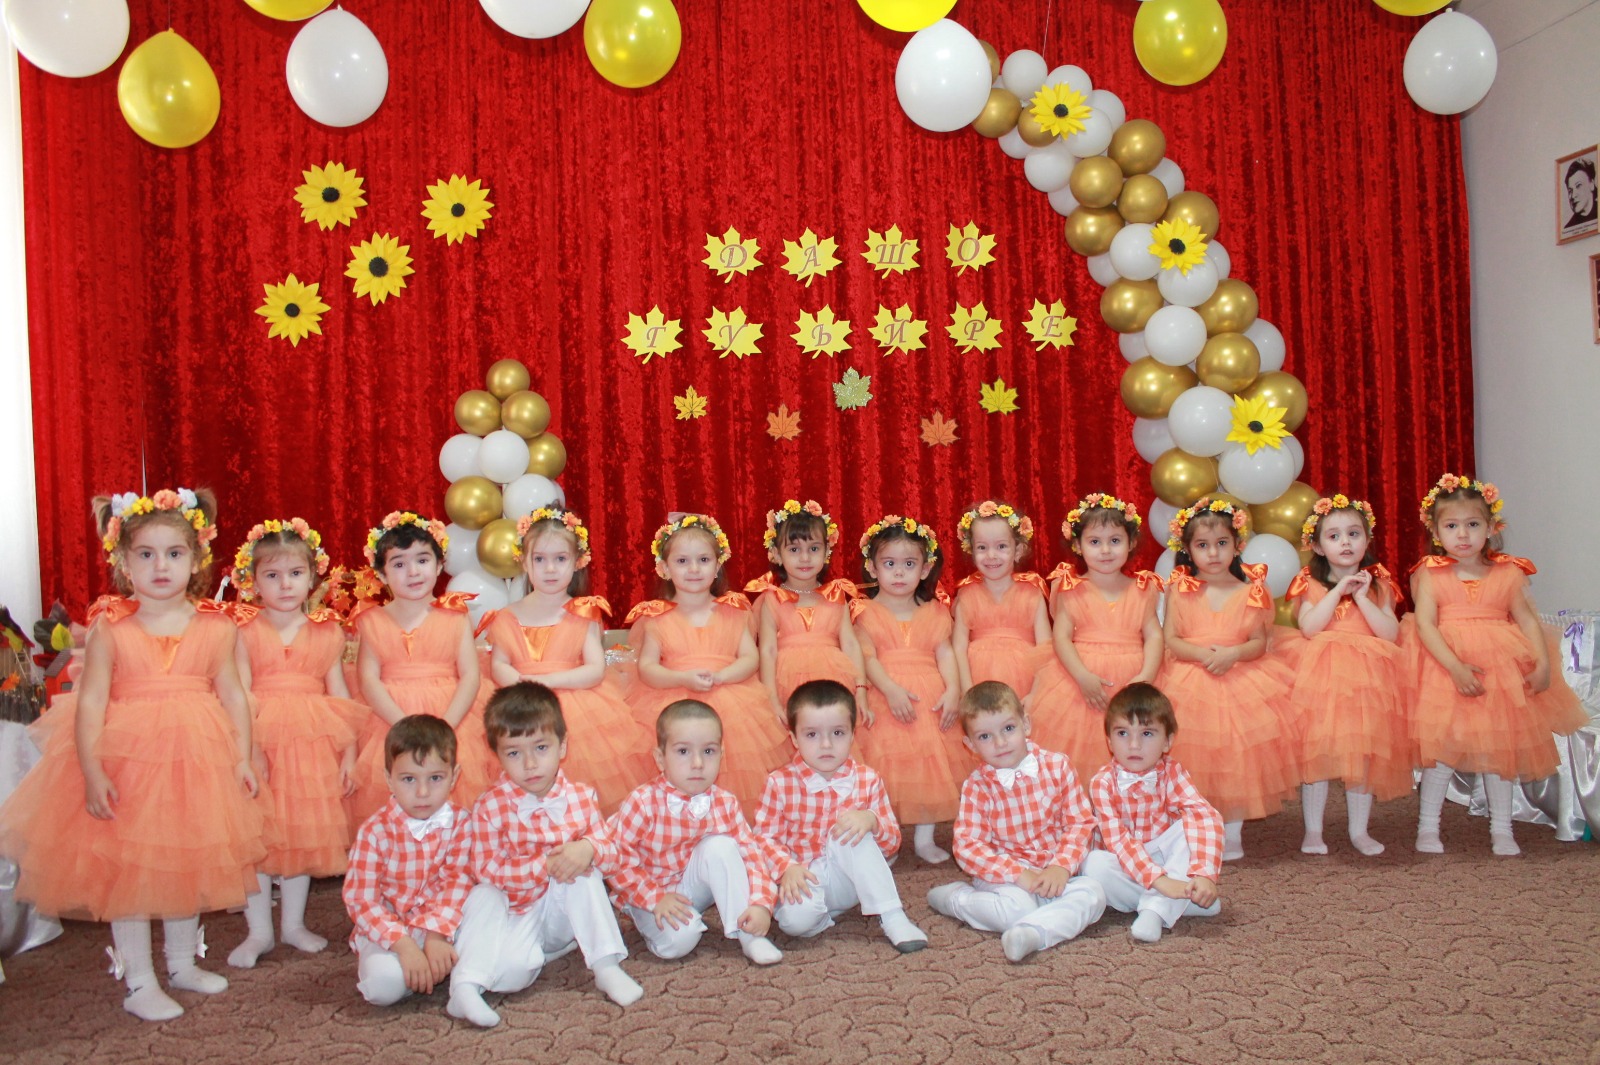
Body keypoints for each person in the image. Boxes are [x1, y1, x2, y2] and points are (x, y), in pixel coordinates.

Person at [0, 488, 261, 1021]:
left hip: (198, 759)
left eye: (174, 553)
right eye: (146, 554)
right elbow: (91, 701)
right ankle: (139, 979)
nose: (160, 566)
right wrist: (91, 770)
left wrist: (242, 757)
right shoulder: (111, 626)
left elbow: (234, 695)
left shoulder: (216, 625)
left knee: (186, 859)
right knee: (131, 871)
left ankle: (182, 962)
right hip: (130, 761)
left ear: (196, 559)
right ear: (123, 561)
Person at [1407, 474, 1588, 856]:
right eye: (1451, 526)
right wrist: (1455, 667)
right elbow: (1425, 624)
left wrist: (1542, 664)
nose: (1463, 535)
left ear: (1491, 527)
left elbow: (1527, 621)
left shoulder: (1507, 572)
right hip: (1446, 667)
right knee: (1442, 750)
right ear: (1436, 532)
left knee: (1498, 749)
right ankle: (1427, 826)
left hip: (1499, 669)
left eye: (1473, 524)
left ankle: (1502, 829)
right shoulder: (1430, 573)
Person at [449, 682, 643, 1027]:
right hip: (517, 910)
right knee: (512, 976)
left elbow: (613, 853)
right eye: (513, 753)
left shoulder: (581, 796)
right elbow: (485, 869)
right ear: (497, 755)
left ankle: (606, 966)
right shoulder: (490, 806)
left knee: (583, 872)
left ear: (562, 746)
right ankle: (525, 960)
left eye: (541, 748)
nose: (530, 764)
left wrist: (588, 848)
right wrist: (543, 866)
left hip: (563, 906)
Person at [227, 518, 362, 968]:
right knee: (259, 836)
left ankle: (293, 924)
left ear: (312, 577)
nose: (285, 584)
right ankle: (259, 931)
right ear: (253, 580)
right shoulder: (242, 631)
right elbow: (240, 693)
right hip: (259, 739)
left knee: (304, 832)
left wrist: (349, 753)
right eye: (272, 575)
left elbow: (339, 695)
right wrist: (250, 751)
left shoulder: (327, 631)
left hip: (311, 744)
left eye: (295, 573)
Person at [482, 507, 654, 815]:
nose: (550, 569)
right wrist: (523, 687)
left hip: (579, 707)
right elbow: (499, 665)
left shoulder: (584, 612)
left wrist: (547, 683)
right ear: (524, 561)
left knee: (580, 788)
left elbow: (594, 670)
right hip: (520, 705)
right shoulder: (506, 616)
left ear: (577, 562)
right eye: (539, 559)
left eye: (560, 559)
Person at [925, 682, 1106, 964]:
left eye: (1008, 729)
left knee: (1094, 894)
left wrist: (1061, 866)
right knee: (1017, 908)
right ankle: (958, 900)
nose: (1000, 743)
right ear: (970, 745)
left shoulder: (1058, 766)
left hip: (1055, 870)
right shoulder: (977, 786)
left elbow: (1080, 823)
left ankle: (1031, 934)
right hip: (1006, 875)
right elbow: (968, 847)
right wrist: (1017, 873)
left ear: (1026, 725)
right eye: (985, 736)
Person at [1160, 498, 1300, 860]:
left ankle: (1232, 829)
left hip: (1241, 677)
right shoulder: (1180, 589)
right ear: (1187, 549)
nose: (1213, 553)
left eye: (1221, 543)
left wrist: (1232, 654)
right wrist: (1204, 656)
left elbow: (1258, 643)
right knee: (1193, 756)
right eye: (1202, 545)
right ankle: (1198, 825)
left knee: (1238, 756)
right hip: (1189, 677)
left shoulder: (1251, 590)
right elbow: (1171, 638)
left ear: (1238, 545)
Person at [623, 514, 789, 817]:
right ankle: (677, 823)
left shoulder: (734, 611)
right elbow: (647, 668)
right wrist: (682, 678)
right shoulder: (656, 618)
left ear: (717, 565)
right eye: (682, 561)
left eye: (703, 560)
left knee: (732, 764)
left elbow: (750, 658)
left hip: (732, 700)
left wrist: (722, 676)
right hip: (672, 699)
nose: (694, 569)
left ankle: (725, 823)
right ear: (664, 568)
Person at [599, 699, 785, 965]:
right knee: (680, 942)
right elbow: (617, 860)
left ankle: (748, 936)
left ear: (722, 754)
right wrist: (655, 899)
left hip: (692, 884)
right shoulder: (642, 802)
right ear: (660, 759)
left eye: (708, 751)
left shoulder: (725, 802)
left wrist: (760, 903)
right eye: (683, 751)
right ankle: (652, 925)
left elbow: (751, 857)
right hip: (650, 893)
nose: (697, 763)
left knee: (721, 846)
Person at [755, 679, 927, 952]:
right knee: (795, 924)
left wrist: (872, 821)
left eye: (837, 733)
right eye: (812, 735)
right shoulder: (778, 782)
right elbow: (764, 837)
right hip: (804, 875)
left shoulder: (868, 779)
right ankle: (826, 912)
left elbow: (892, 842)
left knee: (850, 829)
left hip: (850, 875)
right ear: (794, 739)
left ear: (852, 735)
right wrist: (787, 868)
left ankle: (893, 916)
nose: (826, 744)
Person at [346, 511, 493, 824]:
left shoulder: (455, 616)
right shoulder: (370, 620)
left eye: (422, 560)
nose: (413, 572)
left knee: (452, 798)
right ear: (381, 574)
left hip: (450, 717)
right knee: (397, 800)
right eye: (399, 564)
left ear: (439, 565)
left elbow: (470, 676)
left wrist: (445, 727)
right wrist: (403, 726)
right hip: (390, 719)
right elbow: (368, 679)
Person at [1284, 496, 1411, 858]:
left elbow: (1389, 633)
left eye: (1354, 534)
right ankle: (1313, 830)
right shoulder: (1309, 582)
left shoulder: (1379, 583)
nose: (1345, 543)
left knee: (1362, 757)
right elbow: (1309, 627)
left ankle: (1359, 830)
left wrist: (1363, 598)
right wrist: (1339, 591)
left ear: (1367, 539)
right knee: (1317, 757)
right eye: (1334, 536)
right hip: (1321, 677)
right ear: (1317, 546)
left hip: (1368, 680)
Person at [852, 514, 964, 864]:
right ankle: (886, 837)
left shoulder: (936, 611)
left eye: (909, 564)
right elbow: (866, 657)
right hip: (885, 695)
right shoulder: (863, 611)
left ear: (926, 569)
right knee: (886, 767)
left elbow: (945, 653)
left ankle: (924, 838)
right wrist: (889, 689)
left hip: (929, 697)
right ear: (872, 568)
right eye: (889, 564)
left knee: (930, 767)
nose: (899, 573)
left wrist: (954, 689)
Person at [1028, 494, 1164, 780]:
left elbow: (1153, 635)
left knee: (1134, 741)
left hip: (1133, 677)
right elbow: (1061, 638)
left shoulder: (1143, 588)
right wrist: (1082, 677)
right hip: (1081, 680)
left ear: (1131, 542)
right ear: (1078, 546)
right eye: (1094, 542)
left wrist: (1146, 676)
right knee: (1081, 755)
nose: (1105, 550)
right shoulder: (1071, 587)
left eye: (1115, 540)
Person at [342, 715, 473, 1009]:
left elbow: (459, 882)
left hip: (444, 924)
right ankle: (421, 972)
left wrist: (436, 934)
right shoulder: (374, 831)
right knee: (382, 988)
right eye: (409, 779)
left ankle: (439, 970)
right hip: (391, 931)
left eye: (435, 778)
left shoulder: (463, 823)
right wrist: (404, 946)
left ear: (454, 776)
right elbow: (361, 901)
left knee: (487, 935)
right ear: (389, 779)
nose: (423, 793)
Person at [1080, 683, 1223, 944]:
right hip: (1125, 862)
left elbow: (1204, 816)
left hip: (1167, 858)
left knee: (1189, 828)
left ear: (1167, 741)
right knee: (1092, 865)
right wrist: (1160, 881)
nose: (1134, 745)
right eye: (1123, 733)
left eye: (1147, 733)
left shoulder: (1173, 772)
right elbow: (1119, 842)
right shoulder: (1102, 782)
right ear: (1109, 741)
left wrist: (1204, 874)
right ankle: (1180, 902)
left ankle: (1154, 910)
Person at [747, 499, 871, 727]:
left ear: (826, 551)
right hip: (786, 684)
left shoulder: (836, 595)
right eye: (794, 549)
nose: (805, 558)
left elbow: (851, 645)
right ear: (776, 554)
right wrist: (771, 698)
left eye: (813, 549)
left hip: (835, 682)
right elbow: (767, 650)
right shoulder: (772, 599)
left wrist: (861, 689)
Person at [951, 500, 1052, 700]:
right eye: (982, 547)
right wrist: (968, 691)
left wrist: (1035, 694)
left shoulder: (1032, 593)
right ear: (971, 550)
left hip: (1026, 683)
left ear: (1018, 550)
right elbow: (958, 648)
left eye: (1001, 546)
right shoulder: (967, 595)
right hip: (977, 684)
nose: (991, 555)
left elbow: (1045, 649)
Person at [1565, 156, 1597, 229]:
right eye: (1570, 191)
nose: (1573, 196)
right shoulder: (1569, 228)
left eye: (1578, 186)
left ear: (1591, 184)